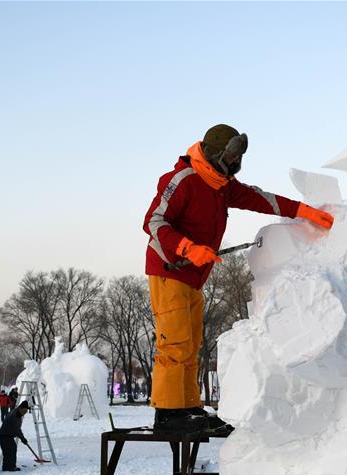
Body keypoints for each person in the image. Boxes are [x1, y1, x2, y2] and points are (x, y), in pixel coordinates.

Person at [143, 124, 335, 433]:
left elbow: (260, 199)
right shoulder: (183, 180)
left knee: (190, 343)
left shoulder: (221, 184)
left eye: (237, 159)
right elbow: (153, 221)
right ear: (216, 153)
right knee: (174, 342)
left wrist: (304, 211)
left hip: (193, 278)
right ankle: (167, 413)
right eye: (231, 157)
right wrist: (187, 248)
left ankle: (187, 407)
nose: (234, 164)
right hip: (170, 270)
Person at [0, 400, 30, 471]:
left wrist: (22, 438)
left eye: (26, 412)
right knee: (10, 450)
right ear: (20, 408)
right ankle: (10, 467)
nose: (24, 413)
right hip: (5, 435)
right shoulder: (15, 415)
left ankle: (8, 467)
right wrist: (22, 438)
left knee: (10, 450)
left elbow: (17, 428)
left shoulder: (17, 413)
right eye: (24, 411)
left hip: (7, 435)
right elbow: (17, 429)